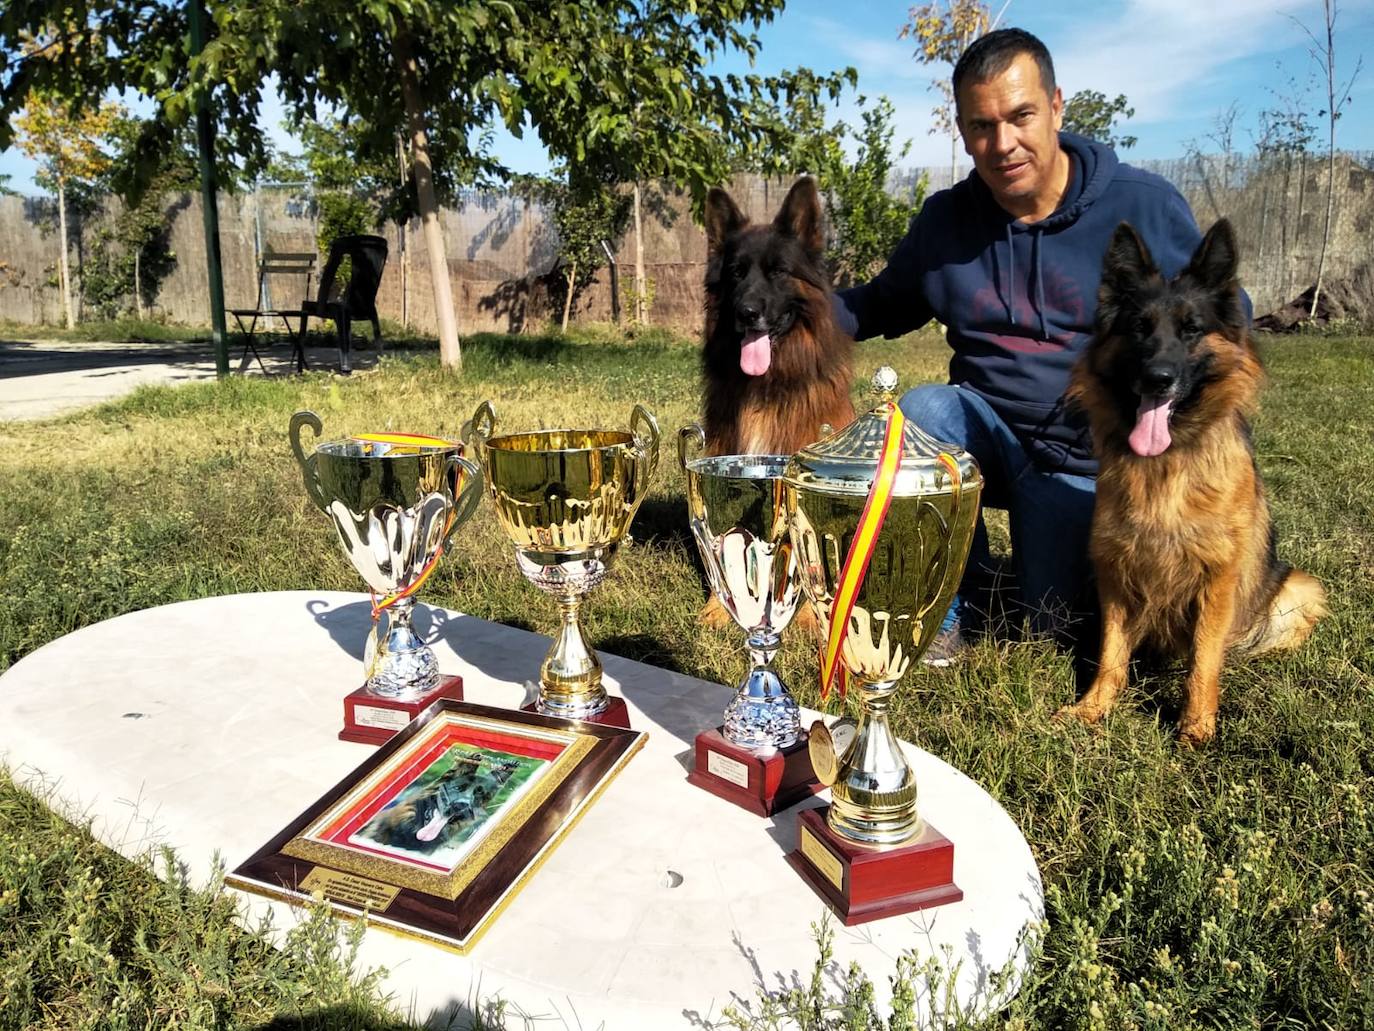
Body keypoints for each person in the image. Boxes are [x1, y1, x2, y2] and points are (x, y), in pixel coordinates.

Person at [833, 27, 1249, 662]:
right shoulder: (947, 221)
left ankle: (1024, 575)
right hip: (986, 437)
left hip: (1090, 461)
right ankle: (953, 605)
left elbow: (1220, 317)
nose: (1002, 144)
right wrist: (780, 321)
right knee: (920, 412)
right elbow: (881, 302)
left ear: (1056, 106)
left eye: (1021, 115)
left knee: (1047, 630)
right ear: (963, 130)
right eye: (981, 126)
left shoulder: (1143, 205)